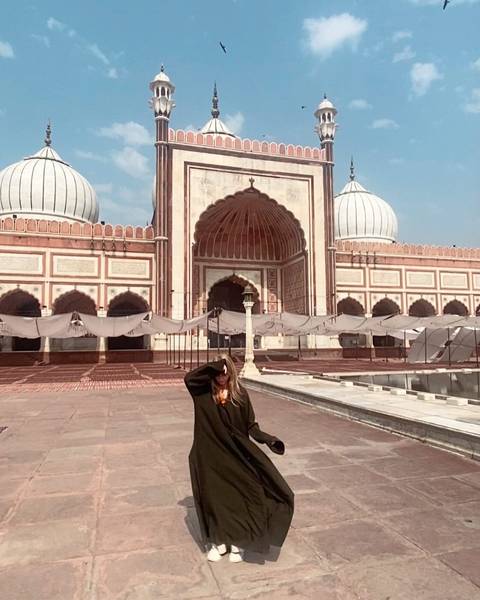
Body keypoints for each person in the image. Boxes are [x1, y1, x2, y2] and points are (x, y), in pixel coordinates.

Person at [184, 354, 294, 562]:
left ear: (231, 372)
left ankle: (238, 540)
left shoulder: (240, 395)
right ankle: (218, 541)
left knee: (240, 495)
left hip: (235, 453)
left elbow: (251, 425)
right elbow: (189, 378)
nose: (221, 377)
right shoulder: (202, 393)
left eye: (225, 373)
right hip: (209, 453)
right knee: (214, 498)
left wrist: (268, 439)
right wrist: (217, 365)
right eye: (217, 373)